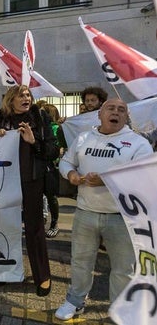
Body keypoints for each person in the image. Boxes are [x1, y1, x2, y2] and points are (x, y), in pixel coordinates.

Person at [55, 98, 153, 320]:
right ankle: (75, 301)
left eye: (121, 109)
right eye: (111, 108)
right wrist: (70, 174)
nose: (116, 112)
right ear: (99, 114)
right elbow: (66, 162)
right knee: (80, 261)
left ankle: (119, 310)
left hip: (123, 217)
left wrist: (107, 181)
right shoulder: (83, 138)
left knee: (123, 268)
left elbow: (144, 178)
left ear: (126, 116)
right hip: (85, 212)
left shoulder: (138, 144)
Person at [0, 85, 57, 297]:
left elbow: (52, 150)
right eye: (21, 95)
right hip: (3, 181)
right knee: (3, 226)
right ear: (11, 100)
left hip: (31, 181)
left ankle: (42, 276)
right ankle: (4, 271)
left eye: (28, 94)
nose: (26, 97)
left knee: (34, 228)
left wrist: (33, 141)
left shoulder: (39, 116)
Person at [41, 103, 62, 238]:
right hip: (37, 166)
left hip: (49, 167)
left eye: (43, 112)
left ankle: (54, 224)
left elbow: (58, 148)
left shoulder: (56, 129)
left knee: (51, 196)